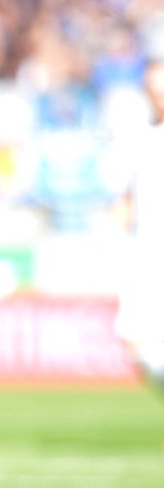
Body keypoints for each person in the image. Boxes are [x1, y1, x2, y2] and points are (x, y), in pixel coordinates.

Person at [112, 59, 164, 401]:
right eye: (153, 88)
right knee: (138, 347)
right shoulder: (140, 139)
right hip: (149, 259)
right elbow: (124, 202)